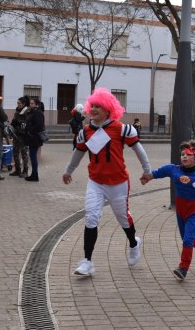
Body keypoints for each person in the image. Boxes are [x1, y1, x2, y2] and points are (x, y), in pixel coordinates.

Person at [62, 88, 151, 276]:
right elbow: (77, 154)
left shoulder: (122, 129)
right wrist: (68, 171)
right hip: (95, 182)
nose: (93, 109)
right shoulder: (85, 132)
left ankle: (134, 243)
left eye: (98, 106)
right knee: (91, 217)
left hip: (118, 182)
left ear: (108, 109)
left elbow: (139, 150)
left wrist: (147, 171)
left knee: (123, 218)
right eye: (92, 106)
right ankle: (87, 261)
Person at [141, 140, 195, 280]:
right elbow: (158, 173)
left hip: (194, 211)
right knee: (187, 238)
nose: (184, 157)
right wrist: (147, 177)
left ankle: (183, 268)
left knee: (187, 239)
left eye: (188, 154)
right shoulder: (173, 169)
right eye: (182, 154)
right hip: (180, 211)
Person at [24, 97, 45, 182]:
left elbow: (38, 125)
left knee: (33, 156)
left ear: (36, 104)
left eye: (32, 103)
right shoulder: (33, 112)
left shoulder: (38, 113)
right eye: (30, 103)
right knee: (32, 156)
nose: (30, 105)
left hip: (35, 139)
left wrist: (30, 132)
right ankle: (33, 174)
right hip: (32, 138)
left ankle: (35, 175)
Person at [10, 96, 30, 178]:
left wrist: (18, 122)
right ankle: (17, 170)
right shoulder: (17, 111)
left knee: (24, 153)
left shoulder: (27, 111)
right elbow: (14, 120)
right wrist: (12, 124)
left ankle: (25, 171)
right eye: (17, 103)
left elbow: (28, 122)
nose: (18, 104)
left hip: (23, 135)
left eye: (19, 103)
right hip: (16, 134)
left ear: (24, 104)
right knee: (15, 152)